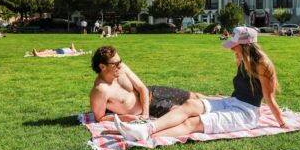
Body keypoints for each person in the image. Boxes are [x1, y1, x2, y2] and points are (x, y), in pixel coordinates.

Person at [114, 26, 287, 141]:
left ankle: (145, 136)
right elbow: (243, 91)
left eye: (235, 45)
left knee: (193, 123)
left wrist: (283, 124)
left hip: (246, 113)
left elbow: (269, 99)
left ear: (246, 45)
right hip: (233, 102)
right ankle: (147, 128)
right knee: (190, 104)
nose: (232, 48)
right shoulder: (243, 60)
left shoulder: (263, 65)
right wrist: (221, 99)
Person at [90, 46, 219, 123]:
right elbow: (100, 118)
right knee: (189, 110)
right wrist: (127, 118)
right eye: (115, 64)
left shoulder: (121, 68)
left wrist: (145, 114)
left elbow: (142, 88)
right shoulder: (101, 90)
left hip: (152, 92)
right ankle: (222, 108)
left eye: (120, 61)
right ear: (102, 66)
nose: (120, 65)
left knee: (194, 96)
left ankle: (227, 100)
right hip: (154, 107)